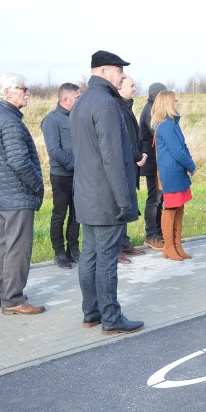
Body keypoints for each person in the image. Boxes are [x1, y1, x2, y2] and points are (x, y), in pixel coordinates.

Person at [70, 50, 143, 334]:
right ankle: (111, 318)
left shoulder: (82, 102)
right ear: (102, 71)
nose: (121, 75)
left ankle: (91, 312)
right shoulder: (106, 104)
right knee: (105, 258)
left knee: (90, 255)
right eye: (117, 70)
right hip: (106, 197)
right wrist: (124, 200)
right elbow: (112, 157)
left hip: (86, 193)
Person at [0, 73, 45, 315]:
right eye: (22, 88)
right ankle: (14, 300)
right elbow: (18, 161)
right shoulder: (9, 120)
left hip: (1, 194)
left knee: (5, 246)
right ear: (7, 92)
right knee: (18, 249)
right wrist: (37, 184)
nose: (27, 92)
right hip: (16, 195)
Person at [152, 91, 197, 262]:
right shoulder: (166, 126)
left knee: (179, 208)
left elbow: (183, 146)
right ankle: (169, 247)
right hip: (171, 173)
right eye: (175, 101)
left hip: (178, 172)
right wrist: (191, 166)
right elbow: (177, 151)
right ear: (168, 103)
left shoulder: (173, 124)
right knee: (170, 209)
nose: (177, 103)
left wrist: (189, 163)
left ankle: (178, 245)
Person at [41, 83, 81, 269]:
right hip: (62, 175)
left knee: (77, 213)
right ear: (65, 99)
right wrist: (75, 165)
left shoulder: (78, 117)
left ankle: (73, 249)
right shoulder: (52, 120)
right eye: (77, 98)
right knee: (60, 213)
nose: (80, 101)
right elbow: (54, 150)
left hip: (79, 176)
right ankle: (59, 252)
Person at [115, 75, 148, 263]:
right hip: (124, 164)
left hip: (132, 163)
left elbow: (136, 136)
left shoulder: (127, 106)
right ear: (120, 89)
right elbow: (124, 139)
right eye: (132, 85)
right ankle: (116, 247)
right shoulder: (117, 107)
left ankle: (124, 242)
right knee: (120, 203)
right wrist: (137, 156)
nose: (135, 88)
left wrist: (142, 153)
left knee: (127, 201)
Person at [139, 82, 167, 249]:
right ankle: (151, 235)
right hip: (152, 163)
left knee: (159, 198)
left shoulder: (153, 109)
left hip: (157, 162)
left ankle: (159, 231)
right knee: (154, 199)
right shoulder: (150, 112)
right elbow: (159, 134)